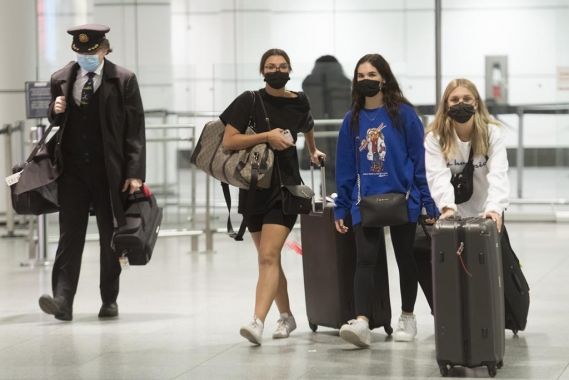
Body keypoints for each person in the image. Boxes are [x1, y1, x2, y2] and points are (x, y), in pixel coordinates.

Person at [38, 24, 146, 321]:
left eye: (90, 52)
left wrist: (134, 172)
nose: (84, 57)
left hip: (109, 171)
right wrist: (53, 108)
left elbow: (135, 131)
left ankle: (109, 299)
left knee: (111, 236)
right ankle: (63, 300)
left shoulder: (123, 80)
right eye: (79, 52)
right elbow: (55, 124)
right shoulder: (60, 78)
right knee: (69, 236)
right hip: (71, 171)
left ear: (104, 49)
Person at [220, 48, 325, 345]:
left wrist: (313, 148)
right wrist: (267, 136)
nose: (276, 70)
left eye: (282, 66)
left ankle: (257, 321)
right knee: (270, 259)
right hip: (254, 188)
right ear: (262, 71)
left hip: (287, 188)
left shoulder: (299, 100)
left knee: (268, 256)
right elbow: (229, 140)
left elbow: (308, 124)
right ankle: (287, 316)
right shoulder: (249, 100)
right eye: (270, 66)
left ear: (290, 69)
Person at [334, 53, 437, 347]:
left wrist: (428, 203)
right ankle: (363, 321)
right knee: (364, 261)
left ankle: (407, 316)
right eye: (361, 75)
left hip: (403, 199)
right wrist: (341, 207)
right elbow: (344, 167)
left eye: (372, 75)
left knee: (405, 257)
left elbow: (420, 161)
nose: (366, 80)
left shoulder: (403, 114)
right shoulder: (351, 121)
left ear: (384, 78)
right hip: (363, 202)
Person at [424, 78, 509, 231]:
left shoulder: (492, 133)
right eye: (455, 99)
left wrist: (494, 208)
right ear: (446, 105)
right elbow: (437, 176)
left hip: (487, 212)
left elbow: (499, 174)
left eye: (467, 99)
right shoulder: (435, 137)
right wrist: (447, 208)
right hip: (452, 215)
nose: (461, 103)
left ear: (476, 103)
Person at [301, 55, 351, 194]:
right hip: (339, 135)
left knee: (327, 172)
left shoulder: (310, 85)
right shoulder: (344, 84)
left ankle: (327, 201)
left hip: (318, 137)